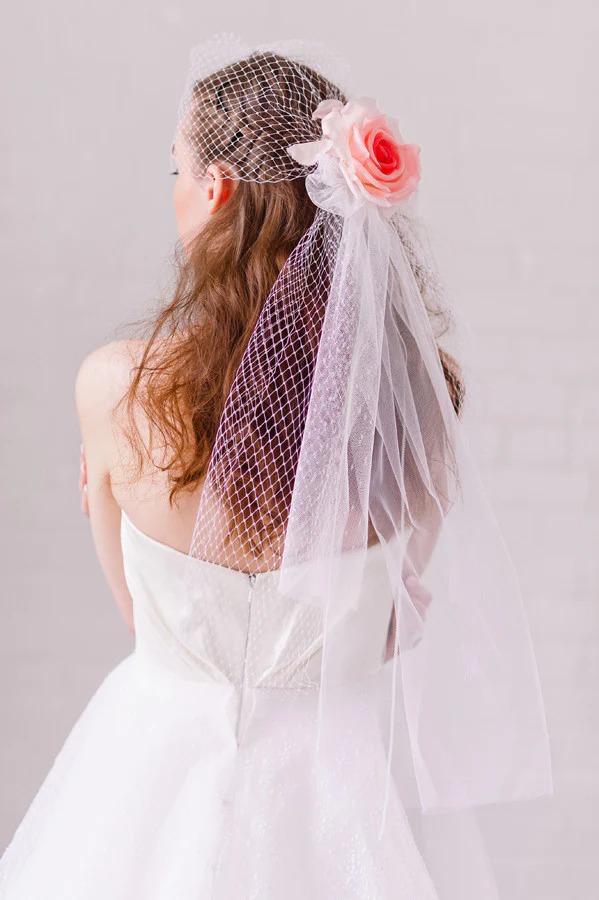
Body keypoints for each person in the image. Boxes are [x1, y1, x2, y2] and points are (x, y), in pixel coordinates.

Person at [0, 36, 552, 899]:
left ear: (214, 189)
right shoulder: (415, 411)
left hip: (149, 766)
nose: (174, 191)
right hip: (341, 792)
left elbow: (142, 622)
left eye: (174, 169)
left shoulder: (116, 391)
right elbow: (387, 629)